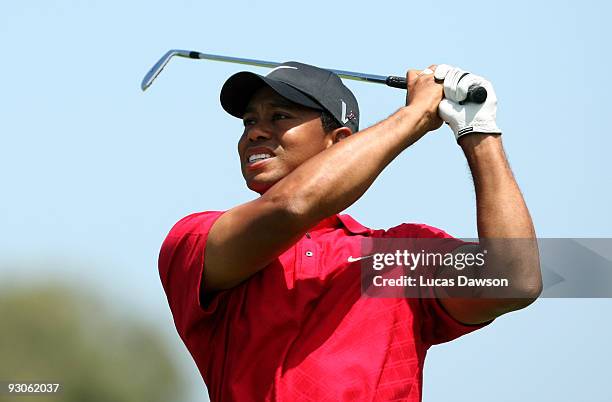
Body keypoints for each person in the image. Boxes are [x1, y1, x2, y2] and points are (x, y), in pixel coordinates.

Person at [158, 61, 543, 401]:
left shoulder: (401, 254)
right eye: (249, 121)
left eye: (279, 117)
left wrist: (480, 131)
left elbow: (514, 280)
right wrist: (414, 116)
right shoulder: (195, 239)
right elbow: (291, 207)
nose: (255, 133)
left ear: (338, 141)